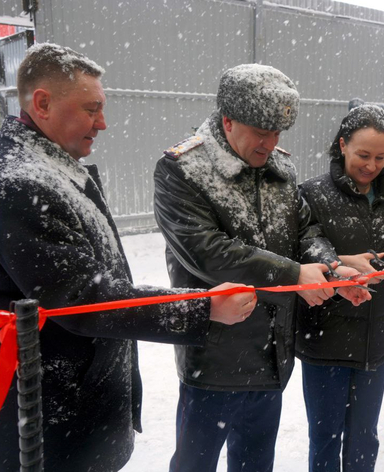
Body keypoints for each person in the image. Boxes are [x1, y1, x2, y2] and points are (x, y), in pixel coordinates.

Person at [0, 43, 255, 472]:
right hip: (50, 425)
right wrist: (203, 307)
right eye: (91, 109)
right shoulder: (20, 183)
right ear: (42, 103)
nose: (103, 122)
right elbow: (81, 298)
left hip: (79, 408)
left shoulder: (53, 162)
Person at [153, 64, 368, 472]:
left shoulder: (278, 167)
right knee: (194, 464)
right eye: (261, 132)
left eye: (278, 134)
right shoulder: (182, 169)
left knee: (255, 463)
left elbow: (306, 230)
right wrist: (293, 275)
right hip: (214, 358)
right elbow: (206, 251)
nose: (270, 143)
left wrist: (329, 267)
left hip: (271, 355)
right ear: (227, 120)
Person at [297, 105, 384, 472]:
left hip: (378, 332)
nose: (371, 166)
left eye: (380, 157)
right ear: (342, 146)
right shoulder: (312, 194)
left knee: (365, 434)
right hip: (326, 333)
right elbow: (304, 245)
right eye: (363, 155)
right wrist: (336, 263)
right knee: (325, 435)